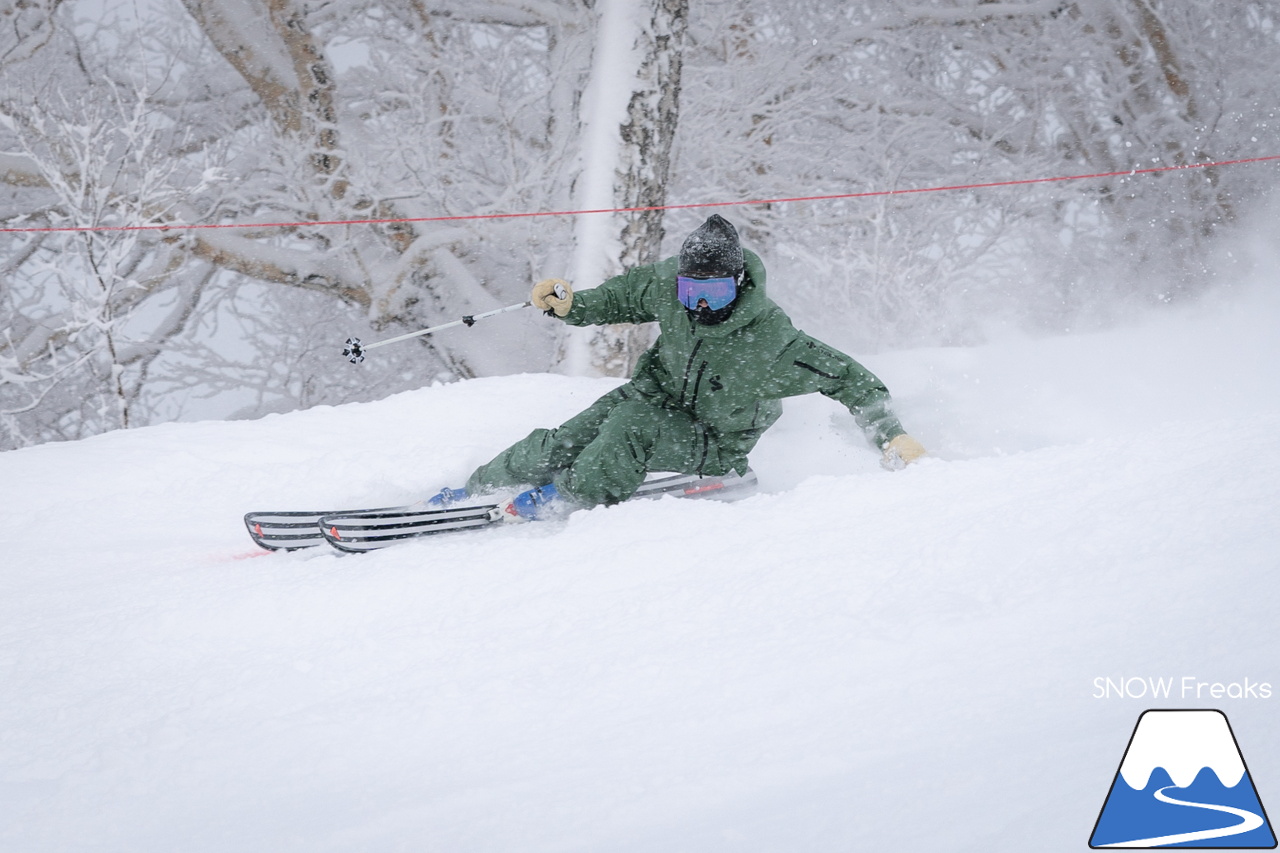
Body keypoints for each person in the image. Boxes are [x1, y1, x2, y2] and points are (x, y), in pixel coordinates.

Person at [432, 214, 926, 519]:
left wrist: (891, 436)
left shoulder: (770, 341)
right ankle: (480, 487)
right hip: (655, 395)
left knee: (630, 426)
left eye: (715, 294)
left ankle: (568, 497)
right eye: (693, 293)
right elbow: (617, 298)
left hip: (714, 441)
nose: (702, 305)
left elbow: (852, 381)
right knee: (572, 435)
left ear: (738, 284)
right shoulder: (668, 285)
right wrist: (570, 305)